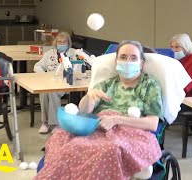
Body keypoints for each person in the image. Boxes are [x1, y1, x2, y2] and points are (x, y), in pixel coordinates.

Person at [34, 40, 163, 180]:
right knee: (66, 142)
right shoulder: (108, 84)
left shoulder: (149, 85)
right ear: (116, 61)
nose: (128, 61)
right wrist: (90, 97)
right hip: (98, 127)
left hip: (129, 131)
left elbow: (152, 123)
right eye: (123, 57)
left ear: (141, 63)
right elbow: (84, 112)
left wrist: (116, 120)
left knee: (108, 150)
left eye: (133, 58)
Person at [33, 31, 90, 134]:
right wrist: (44, 75)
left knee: (53, 92)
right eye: (59, 42)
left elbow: (79, 68)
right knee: (44, 92)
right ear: (56, 43)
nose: (62, 44)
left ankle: (55, 124)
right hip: (51, 81)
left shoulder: (73, 53)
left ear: (68, 43)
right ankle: (45, 123)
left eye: (64, 42)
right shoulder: (49, 53)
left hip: (66, 82)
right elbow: (37, 66)